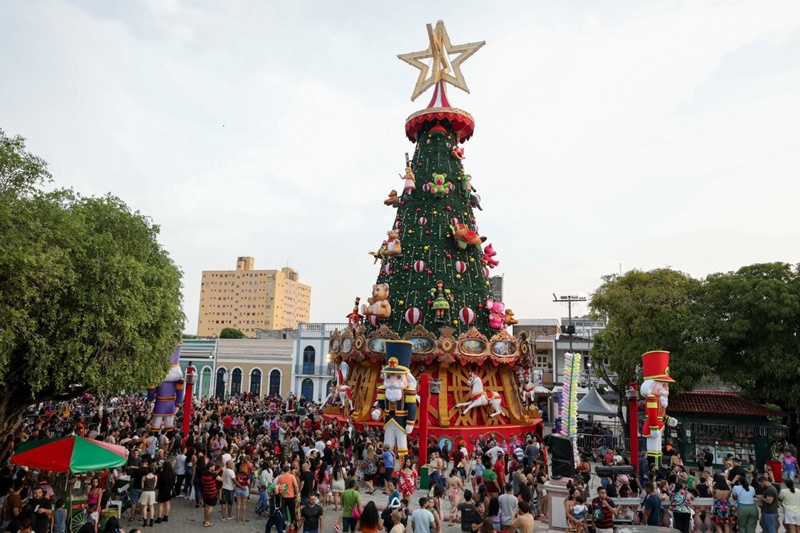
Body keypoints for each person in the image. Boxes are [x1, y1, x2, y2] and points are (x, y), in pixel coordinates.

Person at [201, 461, 222, 528]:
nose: (214, 467)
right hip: (212, 493)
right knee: (211, 507)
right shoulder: (213, 475)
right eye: (213, 466)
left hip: (205, 492)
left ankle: (205, 520)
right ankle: (207, 521)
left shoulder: (204, 473)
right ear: (210, 467)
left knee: (206, 506)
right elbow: (221, 479)